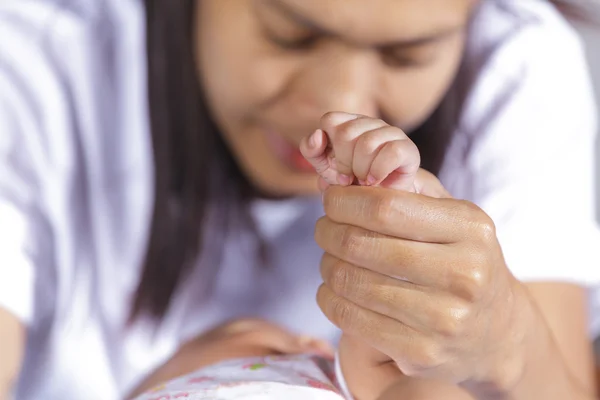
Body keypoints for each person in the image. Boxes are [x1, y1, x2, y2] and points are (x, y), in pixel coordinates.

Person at [0, 0, 599, 399]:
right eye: (290, 35)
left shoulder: (515, 67)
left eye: (405, 56)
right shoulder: (32, 59)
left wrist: (509, 343)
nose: (339, 102)